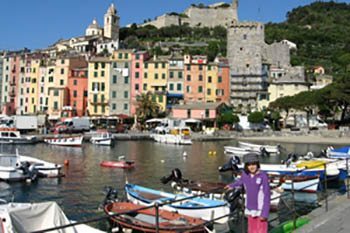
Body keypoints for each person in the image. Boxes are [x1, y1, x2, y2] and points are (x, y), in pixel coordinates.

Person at [226, 153, 270, 233]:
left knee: (261, 230)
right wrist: (232, 185)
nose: (252, 167)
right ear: (246, 166)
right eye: (249, 165)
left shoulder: (263, 176)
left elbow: (267, 195)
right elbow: (241, 181)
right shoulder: (245, 174)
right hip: (250, 207)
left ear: (257, 164)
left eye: (254, 164)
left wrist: (265, 213)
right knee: (251, 230)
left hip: (260, 209)